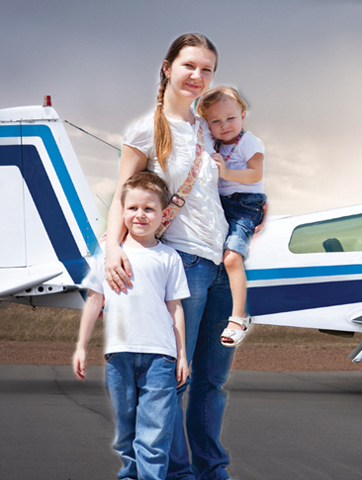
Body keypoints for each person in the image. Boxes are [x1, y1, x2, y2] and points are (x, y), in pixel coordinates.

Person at [104, 33, 235, 480]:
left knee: (212, 382)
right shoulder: (145, 128)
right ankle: (179, 474)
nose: (198, 77)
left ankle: (211, 470)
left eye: (207, 69)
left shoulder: (208, 126)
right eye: (189, 66)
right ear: (167, 67)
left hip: (221, 266)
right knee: (173, 379)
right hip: (181, 265)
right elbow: (124, 197)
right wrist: (111, 251)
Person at [73, 171, 190, 480]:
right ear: (121, 211)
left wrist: (181, 355)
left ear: (163, 214)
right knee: (126, 434)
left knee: (154, 434)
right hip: (119, 355)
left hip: (160, 358)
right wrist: (81, 347)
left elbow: (175, 307)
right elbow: (94, 301)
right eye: (133, 208)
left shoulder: (169, 258)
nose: (140, 215)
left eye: (149, 209)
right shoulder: (108, 259)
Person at [197, 86, 267, 347]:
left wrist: (225, 173)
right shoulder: (216, 144)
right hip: (223, 204)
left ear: (243, 115)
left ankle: (239, 317)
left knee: (232, 257)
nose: (224, 125)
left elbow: (255, 174)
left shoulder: (248, 141)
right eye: (215, 121)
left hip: (245, 205)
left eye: (230, 118)